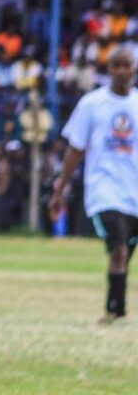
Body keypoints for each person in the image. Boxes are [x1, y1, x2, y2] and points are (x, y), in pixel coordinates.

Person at [48, 45, 138, 324]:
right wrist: (60, 189)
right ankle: (117, 310)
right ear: (108, 69)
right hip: (104, 191)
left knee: (124, 251)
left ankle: (114, 308)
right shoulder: (92, 104)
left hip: (133, 192)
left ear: (134, 68)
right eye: (116, 65)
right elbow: (75, 149)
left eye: (126, 65)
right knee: (119, 247)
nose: (121, 71)